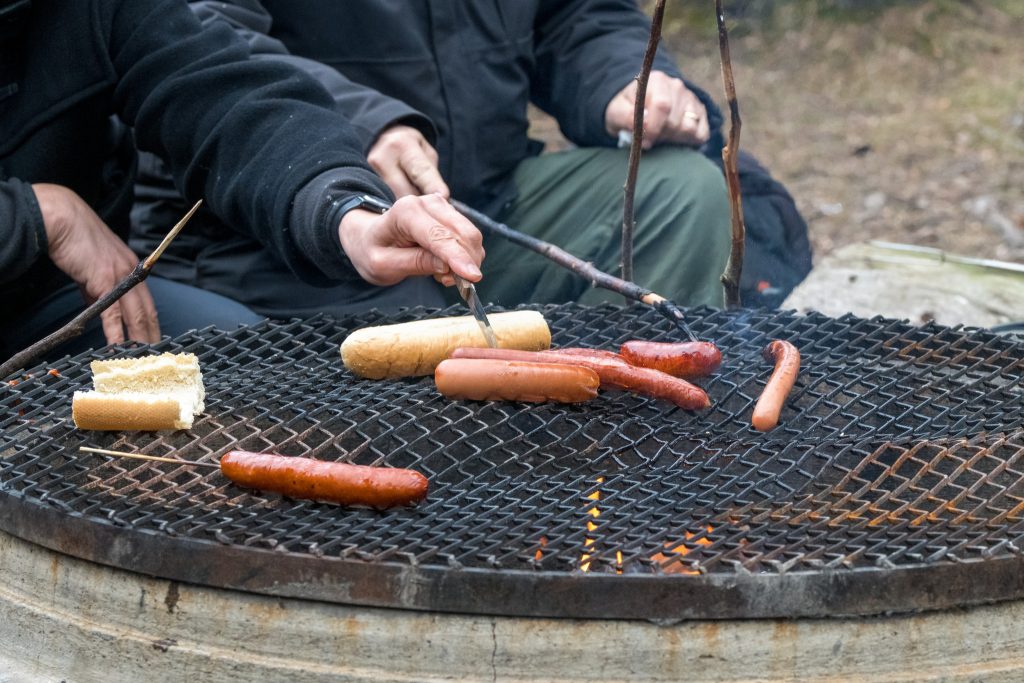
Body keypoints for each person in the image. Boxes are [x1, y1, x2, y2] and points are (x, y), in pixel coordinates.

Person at [132, 0, 732, 317]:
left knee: (681, 194)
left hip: (483, 202)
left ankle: (607, 476)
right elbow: (196, 39)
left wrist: (620, 82)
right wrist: (357, 127)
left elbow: (575, 16)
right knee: (422, 352)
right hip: (275, 242)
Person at [0, 0, 483, 361]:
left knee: (240, 359)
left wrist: (344, 210)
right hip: (33, 260)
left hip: (51, 299)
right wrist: (32, 216)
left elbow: (222, 98)